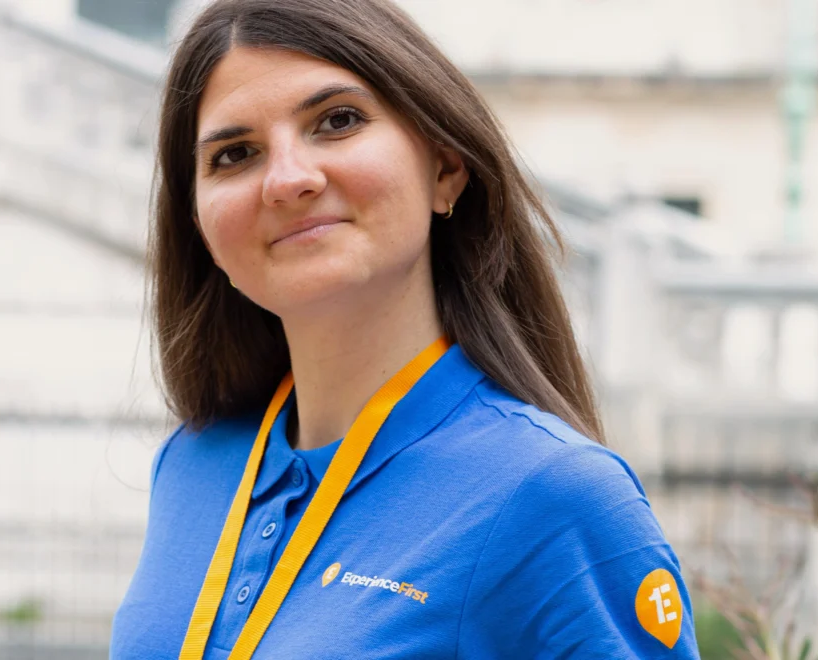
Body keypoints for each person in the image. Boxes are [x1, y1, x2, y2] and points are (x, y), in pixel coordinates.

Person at [110, 0, 701, 657]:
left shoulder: (551, 495)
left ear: (445, 168)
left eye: (337, 121)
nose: (286, 179)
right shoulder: (193, 463)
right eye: (234, 154)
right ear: (200, 226)